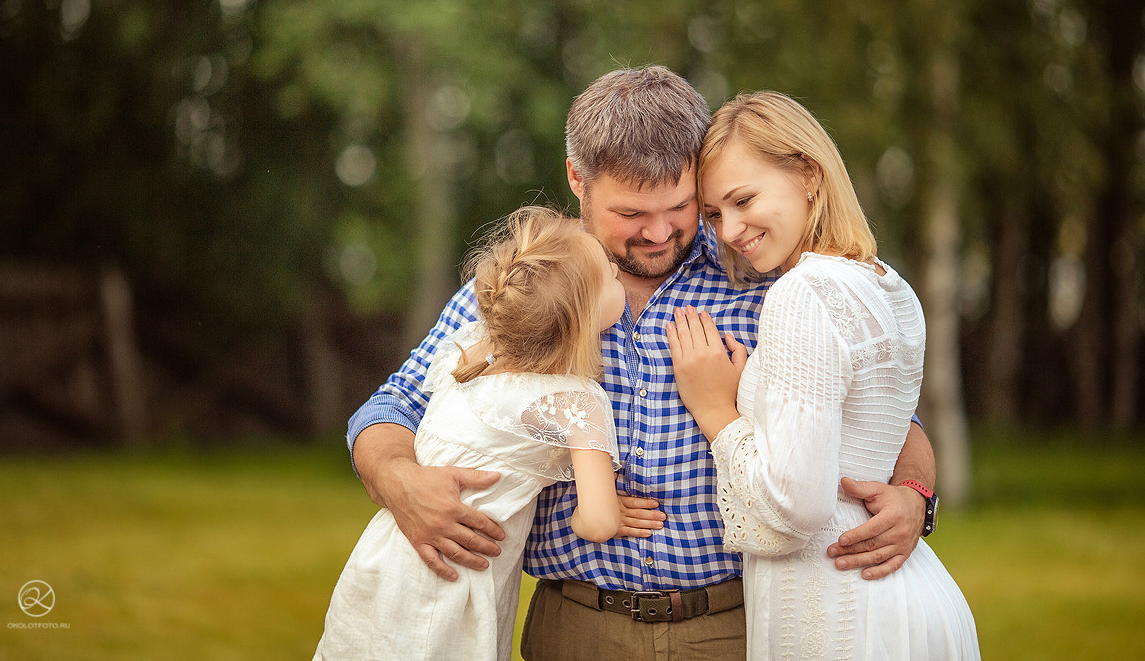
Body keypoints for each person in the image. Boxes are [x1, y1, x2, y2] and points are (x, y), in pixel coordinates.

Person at [347, 66, 939, 661]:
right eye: (632, 213)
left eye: (681, 207)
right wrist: (399, 480)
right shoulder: (527, 286)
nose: (659, 232)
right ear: (577, 179)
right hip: (576, 627)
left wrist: (914, 493)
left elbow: (887, 416)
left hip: (733, 625)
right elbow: (395, 404)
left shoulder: (764, 272)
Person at [666, 90, 979, 659]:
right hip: (907, 595)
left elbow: (796, 508)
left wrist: (716, 412)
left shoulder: (801, 294)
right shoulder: (887, 284)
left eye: (743, 200)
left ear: (809, 174)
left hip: (840, 614)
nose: (729, 230)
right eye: (714, 214)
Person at [314, 206, 626, 661]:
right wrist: (599, 508)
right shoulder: (577, 404)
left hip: (385, 565)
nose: (617, 270)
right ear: (583, 316)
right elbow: (599, 522)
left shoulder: (467, 355)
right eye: (608, 275)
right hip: (456, 585)